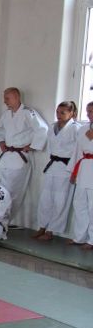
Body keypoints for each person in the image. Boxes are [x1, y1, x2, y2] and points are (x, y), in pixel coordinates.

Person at [0, 87, 49, 221]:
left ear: (17, 97)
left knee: (13, 191)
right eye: (4, 98)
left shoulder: (28, 112)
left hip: (20, 157)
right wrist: (1, 142)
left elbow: (42, 129)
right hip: (6, 156)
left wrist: (32, 146)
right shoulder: (6, 114)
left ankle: (5, 220)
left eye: (7, 98)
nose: (5, 101)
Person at [34, 101, 81, 241]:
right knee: (45, 198)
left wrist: (74, 170)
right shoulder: (52, 126)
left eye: (63, 113)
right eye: (57, 112)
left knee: (61, 200)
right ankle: (42, 226)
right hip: (53, 165)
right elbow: (50, 147)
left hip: (66, 167)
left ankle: (51, 230)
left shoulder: (76, 129)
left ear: (71, 113)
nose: (59, 115)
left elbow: (78, 151)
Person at [68, 101, 93, 249]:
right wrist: (73, 172)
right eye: (88, 111)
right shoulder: (83, 128)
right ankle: (79, 237)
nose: (89, 114)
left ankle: (92, 240)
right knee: (79, 204)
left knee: (92, 207)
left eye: (92, 111)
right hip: (83, 168)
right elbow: (77, 151)